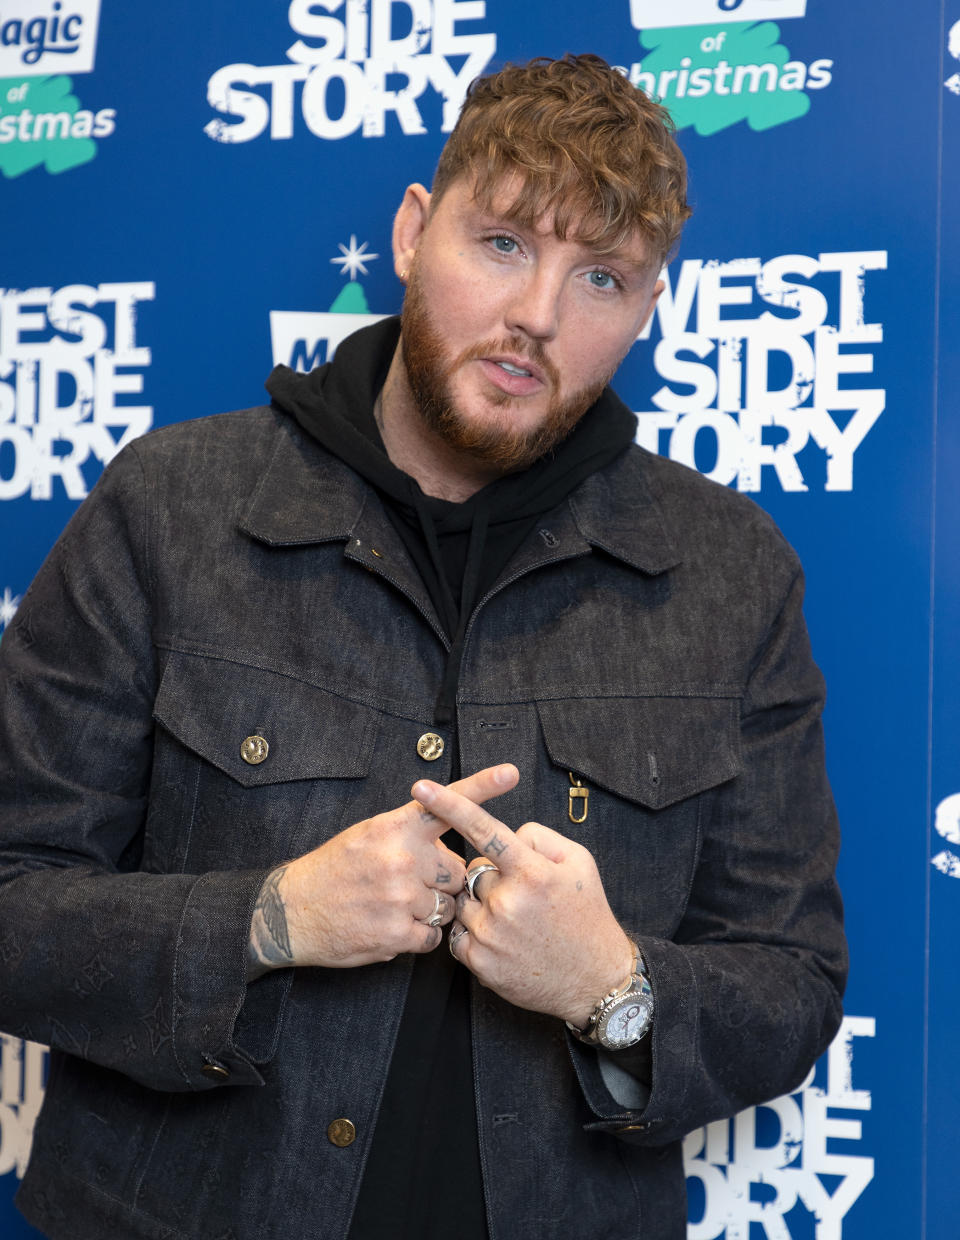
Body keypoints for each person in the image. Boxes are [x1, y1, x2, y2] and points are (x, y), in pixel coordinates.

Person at [0, 53, 846, 1240]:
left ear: (648, 312)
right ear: (411, 232)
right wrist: (271, 916)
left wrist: (613, 989)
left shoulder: (731, 574)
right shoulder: (166, 510)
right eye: (503, 244)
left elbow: (793, 984)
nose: (538, 316)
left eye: (600, 277)